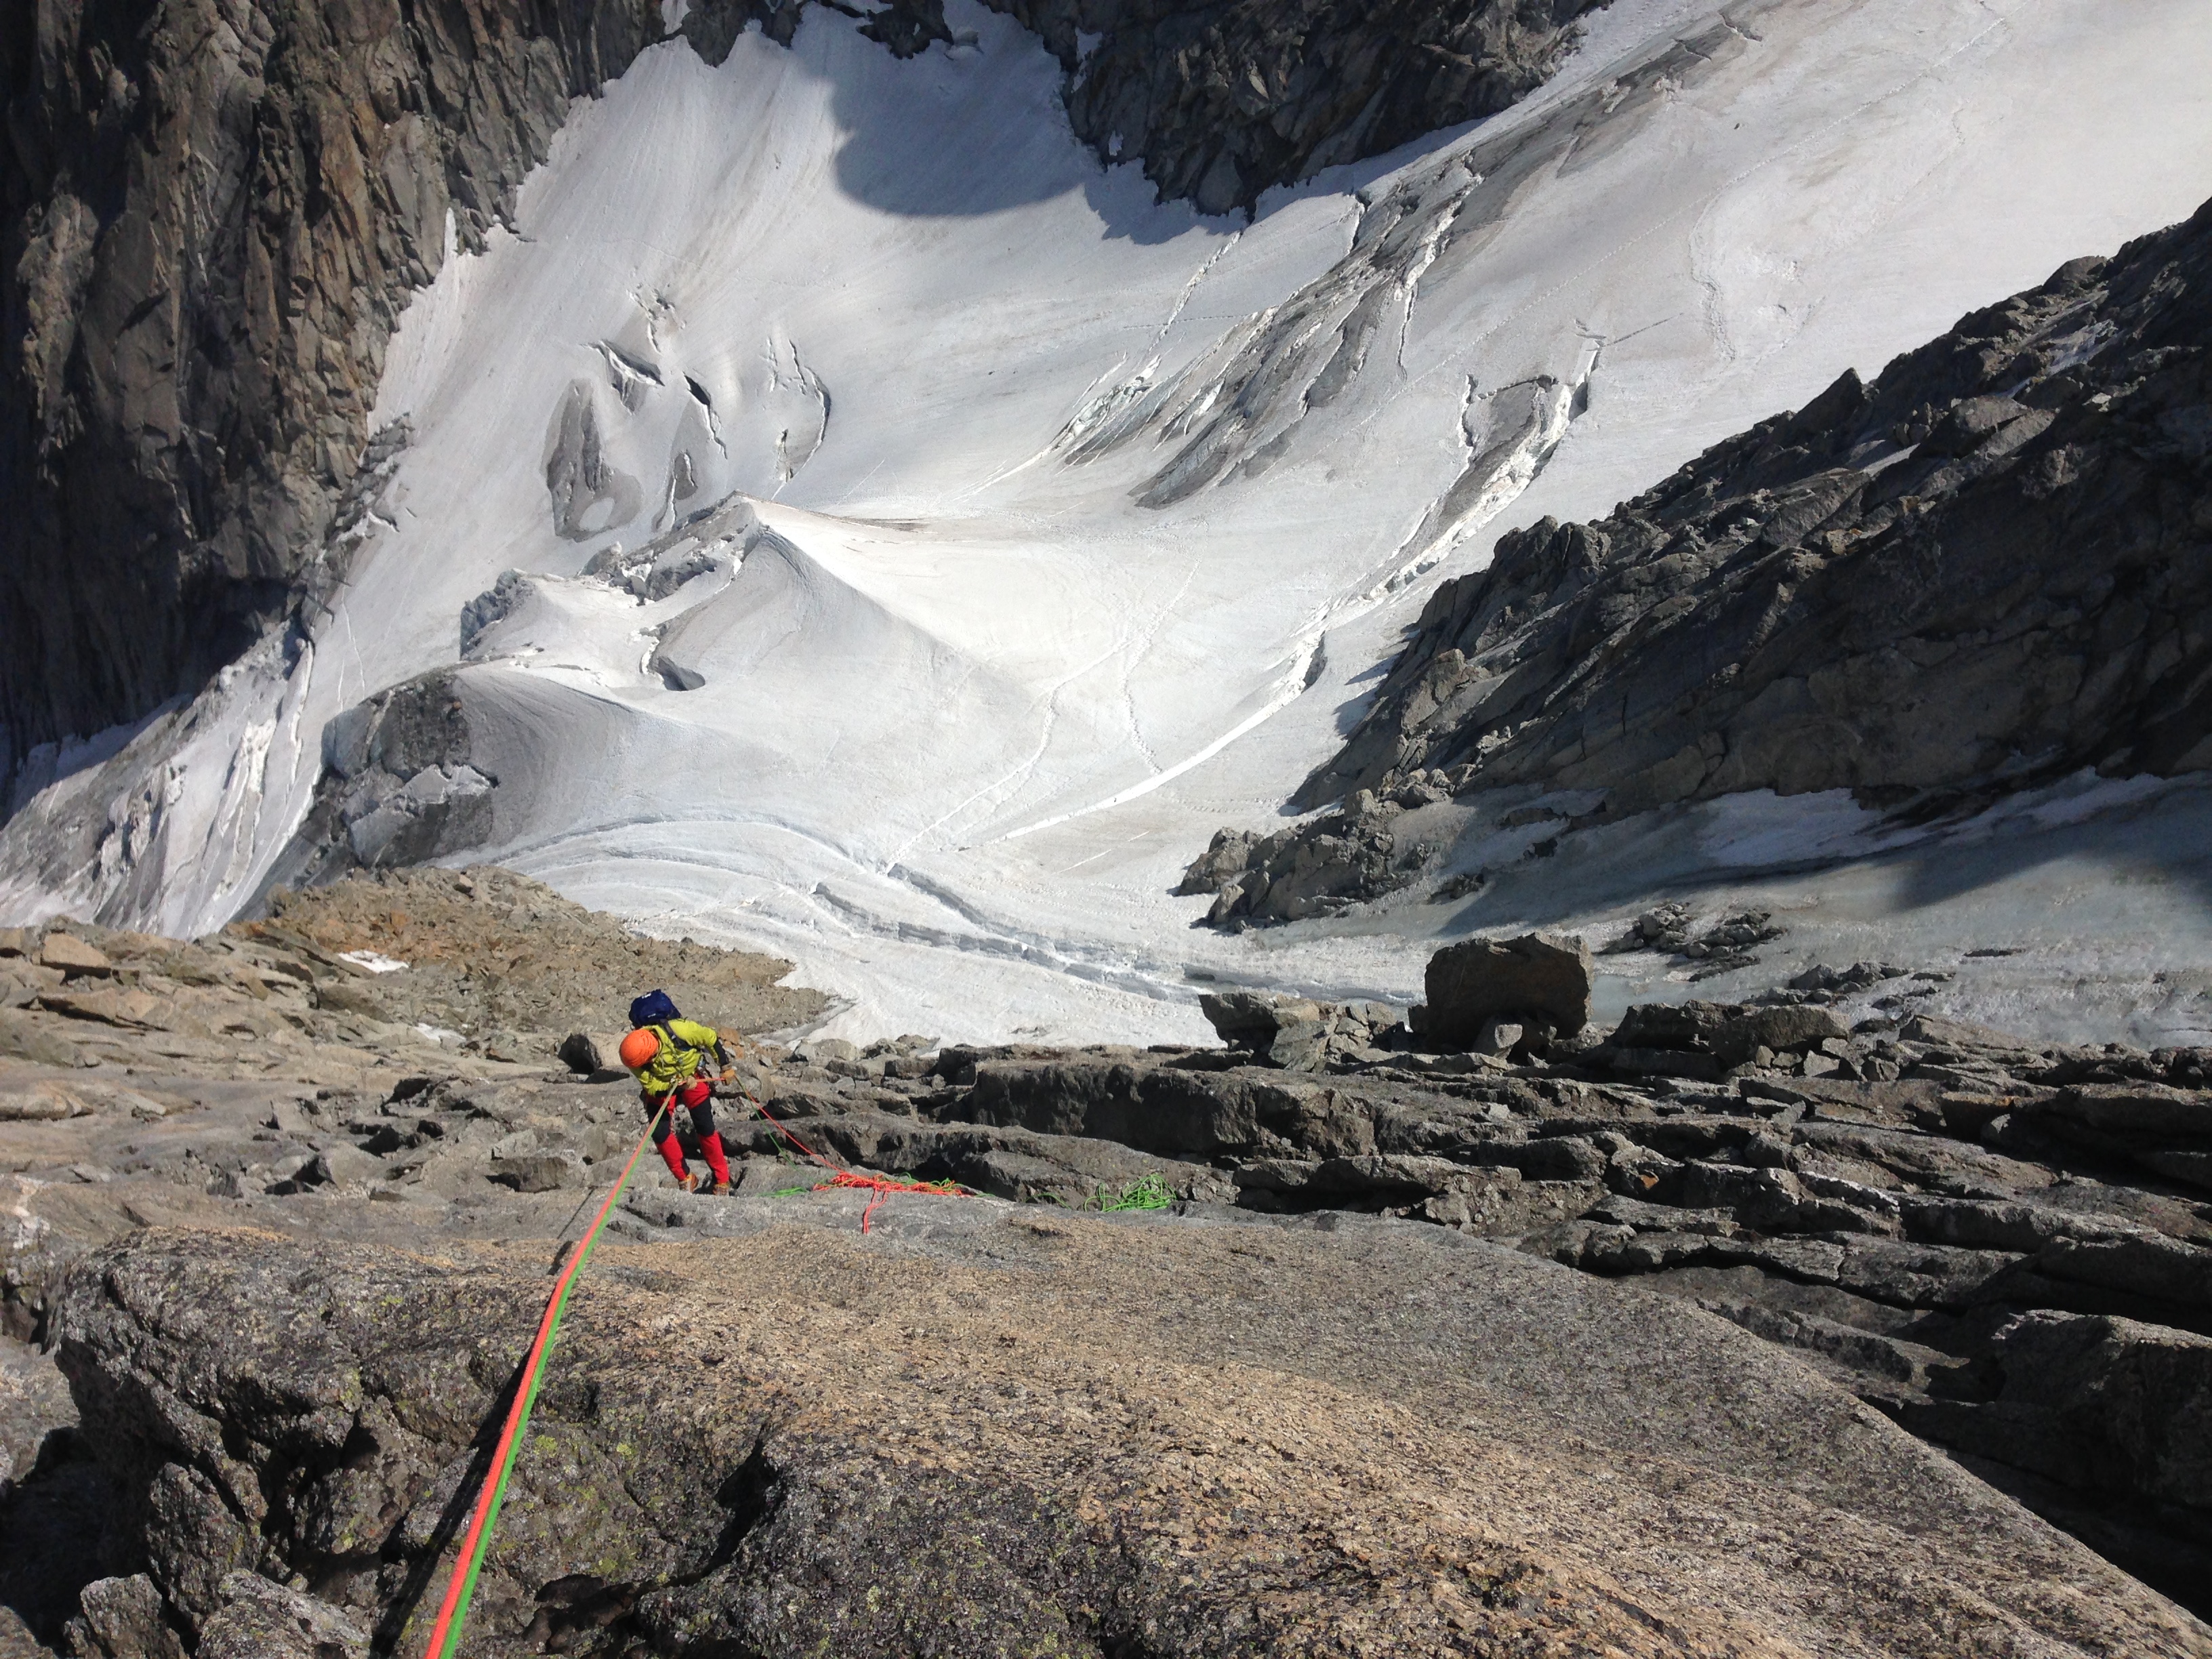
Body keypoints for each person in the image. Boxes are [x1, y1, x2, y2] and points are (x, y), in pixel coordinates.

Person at [617, 989, 735, 1193]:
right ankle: (686, 1178)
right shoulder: (633, 1057)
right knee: (660, 1133)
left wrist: (725, 1066)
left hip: (693, 1074)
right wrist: (677, 1085)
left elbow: (709, 1037)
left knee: (705, 1127)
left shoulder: (680, 1030)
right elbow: (651, 1085)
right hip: (666, 1086)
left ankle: (722, 1180)